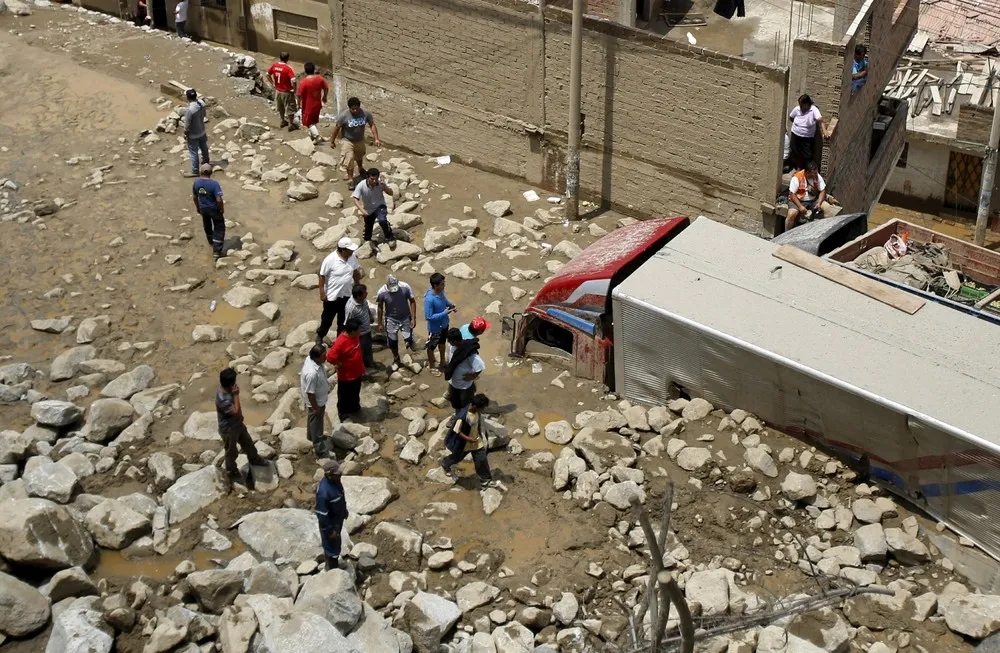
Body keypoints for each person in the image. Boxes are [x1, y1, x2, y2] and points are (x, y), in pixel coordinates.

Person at [215, 368, 268, 482]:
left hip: (237, 424)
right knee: (231, 452)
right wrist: (236, 395)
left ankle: (254, 459)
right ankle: (232, 471)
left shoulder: (226, 390)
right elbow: (235, 411)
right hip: (229, 429)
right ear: (230, 384)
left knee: (248, 442)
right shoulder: (222, 399)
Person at [441, 393, 495, 488]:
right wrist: (468, 439)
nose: (482, 410)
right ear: (474, 406)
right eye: (481, 408)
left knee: (481, 459)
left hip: (476, 441)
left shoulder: (476, 411)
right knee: (457, 457)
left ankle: (485, 481)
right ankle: (445, 463)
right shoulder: (463, 416)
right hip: (464, 443)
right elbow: (457, 430)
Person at [317, 237, 362, 344]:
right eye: (350, 250)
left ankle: (339, 341)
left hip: (346, 295)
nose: (352, 251)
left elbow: (355, 272)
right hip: (332, 297)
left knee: (343, 321)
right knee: (327, 320)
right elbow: (322, 276)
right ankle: (320, 335)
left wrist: (358, 286)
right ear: (343, 250)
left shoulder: (352, 257)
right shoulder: (330, 260)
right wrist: (322, 292)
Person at [330, 97, 380, 187]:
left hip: (360, 139)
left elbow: (372, 124)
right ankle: (350, 179)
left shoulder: (365, 113)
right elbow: (337, 127)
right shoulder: (344, 116)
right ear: (349, 108)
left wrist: (376, 138)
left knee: (360, 155)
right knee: (349, 159)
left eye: (357, 108)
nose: (355, 110)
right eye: (353, 109)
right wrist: (332, 141)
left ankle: (360, 168)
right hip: (347, 140)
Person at [327, 318, 366, 422]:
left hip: (357, 371)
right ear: (352, 331)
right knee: (344, 395)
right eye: (358, 329)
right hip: (346, 375)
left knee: (355, 391)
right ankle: (343, 414)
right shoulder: (341, 342)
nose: (360, 331)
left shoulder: (356, 335)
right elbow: (330, 357)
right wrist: (339, 363)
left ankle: (355, 408)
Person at [376, 274, 416, 371]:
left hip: (405, 317)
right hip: (391, 319)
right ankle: (396, 359)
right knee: (392, 342)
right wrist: (380, 323)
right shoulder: (382, 292)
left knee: (408, 338)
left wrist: (413, 318)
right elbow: (380, 307)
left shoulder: (405, 287)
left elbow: (412, 301)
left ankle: (410, 341)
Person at [351, 168, 396, 253]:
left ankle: (390, 237)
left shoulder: (381, 183)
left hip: (380, 206)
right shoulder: (361, 185)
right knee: (368, 226)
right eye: (372, 179)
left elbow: (391, 193)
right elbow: (355, 199)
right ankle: (368, 241)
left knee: (382, 220)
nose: (374, 181)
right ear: (368, 177)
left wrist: (384, 186)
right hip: (368, 209)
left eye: (376, 179)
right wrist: (362, 210)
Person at [314, 460, 349, 570]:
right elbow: (322, 515)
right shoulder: (324, 492)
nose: (341, 475)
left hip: (337, 521)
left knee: (336, 544)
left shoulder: (336, 482)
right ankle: (332, 569)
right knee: (331, 547)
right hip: (330, 525)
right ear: (330, 475)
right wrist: (330, 531)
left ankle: (333, 563)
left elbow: (341, 497)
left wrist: (344, 511)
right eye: (338, 474)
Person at [300, 344, 330, 457]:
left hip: (317, 399)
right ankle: (320, 449)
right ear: (316, 357)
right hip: (316, 401)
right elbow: (310, 393)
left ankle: (310, 436)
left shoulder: (311, 359)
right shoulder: (312, 373)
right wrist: (315, 407)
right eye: (323, 356)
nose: (325, 357)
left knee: (312, 419)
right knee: (317, 423)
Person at [444, 328, 485, 410]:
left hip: (464, 386)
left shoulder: (469, 353)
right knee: (456, 404)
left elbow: (480, 366)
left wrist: (473, 376)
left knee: (466, 405)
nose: (448, 342)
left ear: (455, 341)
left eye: (450, 341)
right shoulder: (452, 347)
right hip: (454, 383)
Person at [424, 273, 456, 374]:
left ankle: (442, 361)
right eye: (442, 284)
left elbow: (444, 301)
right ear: (435, 286)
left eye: (444, 283)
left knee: (442, 343)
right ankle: (432, 366)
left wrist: (451, 306)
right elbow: (428, 317)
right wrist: (444, 313)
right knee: (431, 346)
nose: (444, 285)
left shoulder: (441, 292)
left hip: (444, 325)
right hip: (435, 328)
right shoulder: (429, 299)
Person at [192, 163, 225, 258]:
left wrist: (198, 208)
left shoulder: (196, 183)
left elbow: (194, 197)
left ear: (200, 172)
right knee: (219, 227)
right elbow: (219, 199)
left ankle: (211, 242)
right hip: (214, 209)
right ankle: (217, 251)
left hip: (203, 209)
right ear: (211, 173)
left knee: (207, 226)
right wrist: (221, 209)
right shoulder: (214, 184)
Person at [787, 94, 828, 170]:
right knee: (795, 152)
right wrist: (798, 126)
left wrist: (825, 131)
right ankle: (798, 168)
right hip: (795, 135)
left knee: (807, 155)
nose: (801, 107)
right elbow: (791, 117)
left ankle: (810, 172)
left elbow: (820, 121)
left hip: (807, 138)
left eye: (803, 105)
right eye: (800, 105)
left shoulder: (813, 110)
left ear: (807, 104)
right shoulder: (797, 109)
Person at [786, 161, 828, 231]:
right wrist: (800, 206)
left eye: (816, 172)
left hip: (813, 200)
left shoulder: (817, 176)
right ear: (807, 172)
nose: (815, 175)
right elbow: (792, 194)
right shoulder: (797, 177)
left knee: (827, 209)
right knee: (791, 214)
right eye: (813, 173)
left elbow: (823, 190)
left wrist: (819, 203)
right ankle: (786, 234)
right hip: (798, 200)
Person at [296, 62, 329, 141]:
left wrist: (298, 104)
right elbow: (326, 88)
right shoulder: (319, 78)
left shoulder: (304, 82)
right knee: (314, 120)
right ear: (314, 69)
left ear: (305, 71)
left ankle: (317, 136)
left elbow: (299, 95)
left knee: (308, 123)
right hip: (317, 104)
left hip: (308, 106)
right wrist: (324, 97)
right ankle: (312, 136)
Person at [345, 283, 375, 369]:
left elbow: (366, 307)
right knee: (360, 352)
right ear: (358, 296)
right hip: (359, 334)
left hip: (367, 330)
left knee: (368, 348)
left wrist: (370, 316)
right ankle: (361, 369)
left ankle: (370, 364)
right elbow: (348, 323)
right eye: (364, 293)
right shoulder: (351, 308)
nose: (367, 294)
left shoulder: (363, 300)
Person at [267, 52, 297, 130]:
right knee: (290, 107)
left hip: (278, 91)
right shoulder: (288, 68)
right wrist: (294, 89)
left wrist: (273, 83)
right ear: (287, 59)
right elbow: (293, 80)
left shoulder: (275, 65)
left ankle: (283, 121)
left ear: (279, 57)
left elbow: (267, 74)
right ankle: (290, 124)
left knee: (280, 107)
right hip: (286, 91)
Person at [183, 88, 209, 178]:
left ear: (187, 97)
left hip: (193, 135)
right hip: (202, 130)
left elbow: (187, 126)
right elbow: (204, 115)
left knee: (193, 153)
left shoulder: (189, 110)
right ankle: (206, 163)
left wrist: (185, 134)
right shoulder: (202, 103)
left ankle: (195, 171)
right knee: (204, 148)